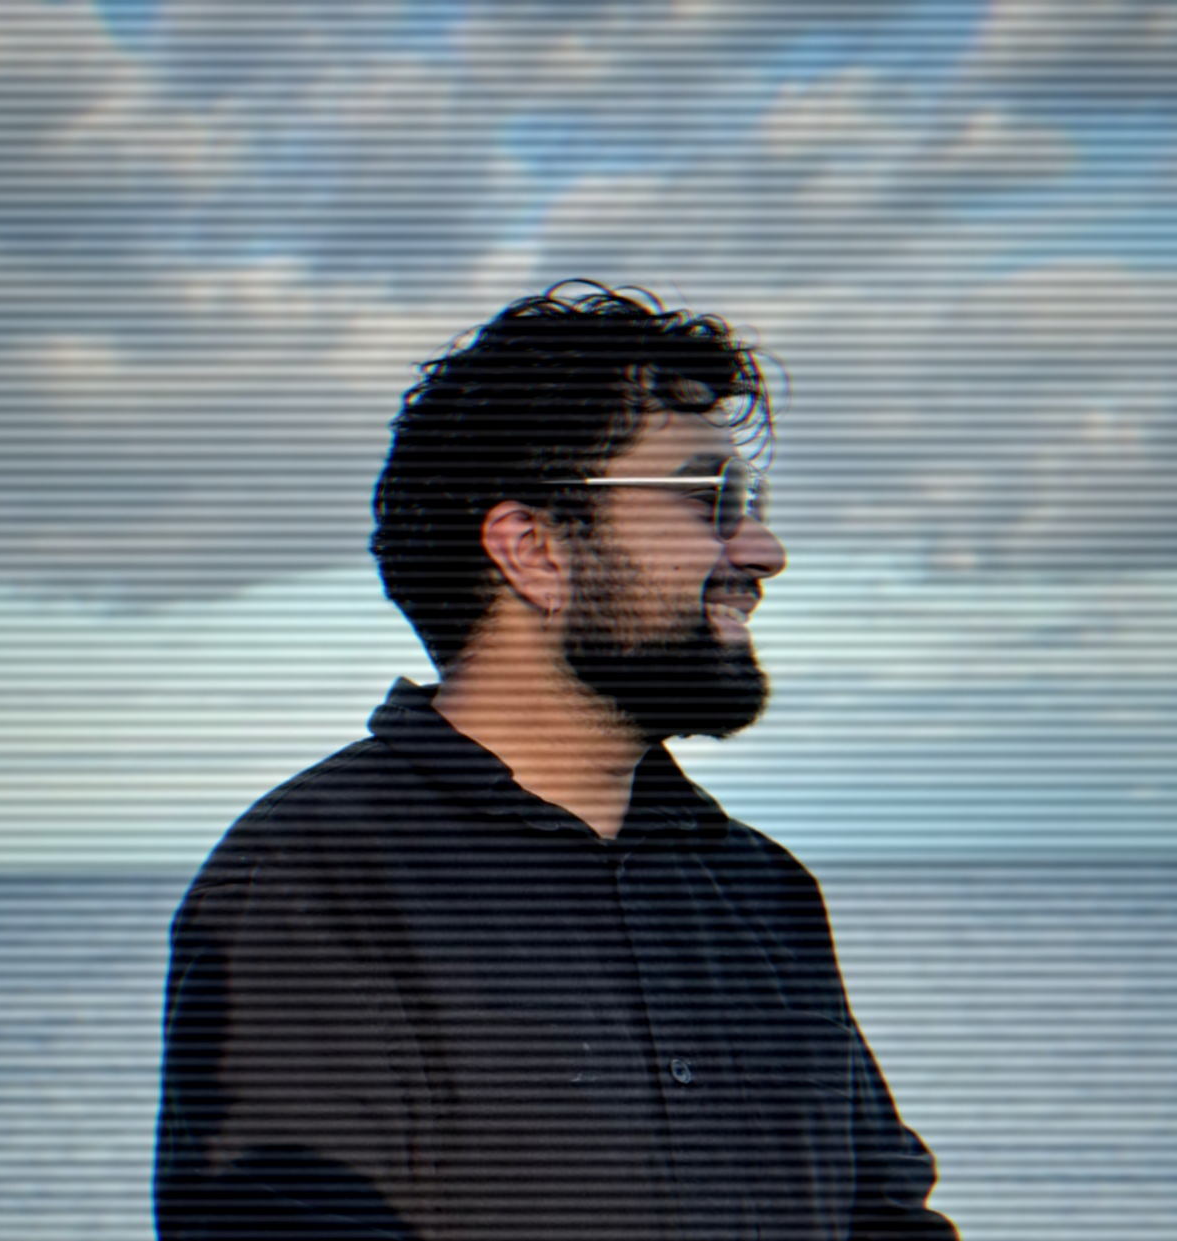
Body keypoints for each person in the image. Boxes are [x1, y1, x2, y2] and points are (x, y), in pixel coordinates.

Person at [154, 284, 958, 1241]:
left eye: (751, 504)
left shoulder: (760, 890)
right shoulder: (315, 881)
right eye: (710, 499)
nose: (763, 549)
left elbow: (886, 1222)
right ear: (532, 550)